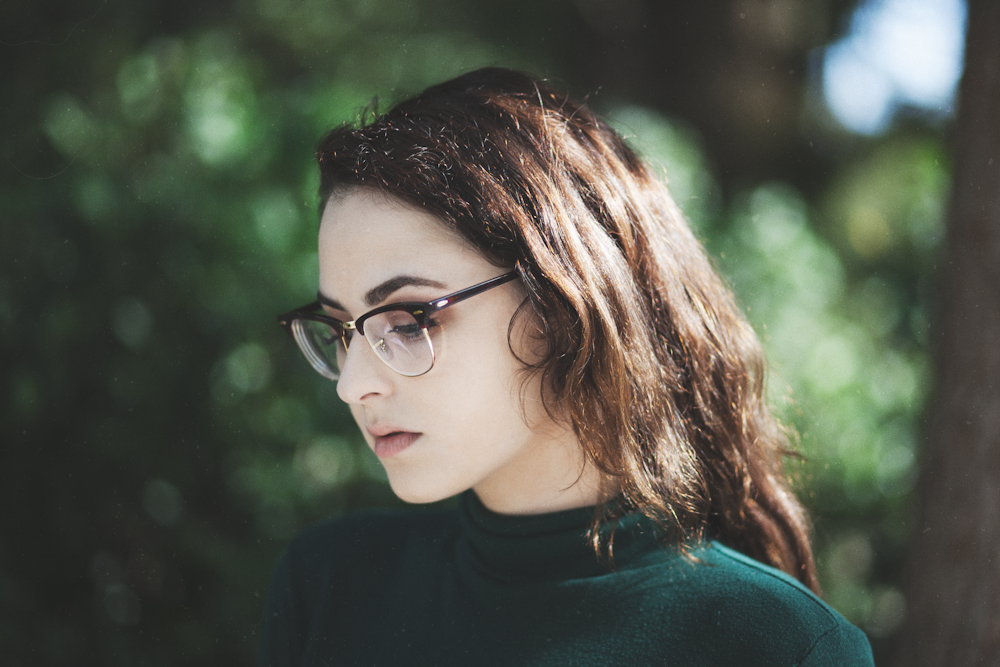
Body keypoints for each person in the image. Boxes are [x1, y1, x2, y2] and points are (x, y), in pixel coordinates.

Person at [262, 67, 875, 666]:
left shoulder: (778, 643)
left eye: (409, 318)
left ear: (561, 301)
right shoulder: (331, 589)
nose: (352, 384)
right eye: (343, 329)